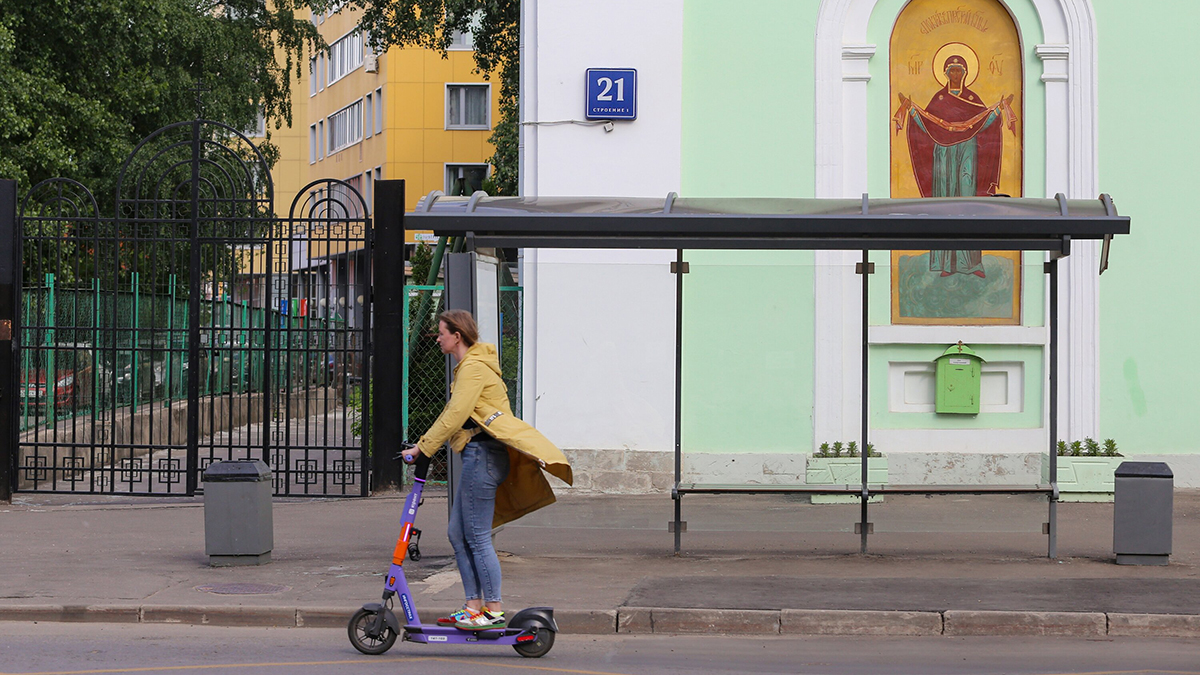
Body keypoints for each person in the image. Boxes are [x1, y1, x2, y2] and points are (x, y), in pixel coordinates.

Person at [400, 309, 572, 630]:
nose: (437, 338)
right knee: (457, 533)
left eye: (441, 333)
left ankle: (492, 608)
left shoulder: (473, 369)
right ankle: (473, 604)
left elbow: (455, 413)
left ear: (457, 336)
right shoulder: (468, 367)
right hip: (477, 454)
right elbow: (461, 417)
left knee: (478, 536)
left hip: (484, 455)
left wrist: (423, 447)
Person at [894, 51, 1017, 277]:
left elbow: (982, 123)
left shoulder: (972, 100)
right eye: (952, 70)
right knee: (946, 201)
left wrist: (997, 112)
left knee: (968, 202)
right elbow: (928, 126)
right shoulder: (938, 100)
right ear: (945, 73)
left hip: (968, 152)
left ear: (966, 73)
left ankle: (970, 264)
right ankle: (945, 264)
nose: (956, 74)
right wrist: (912, 113)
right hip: (944, 154)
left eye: (960, 70)